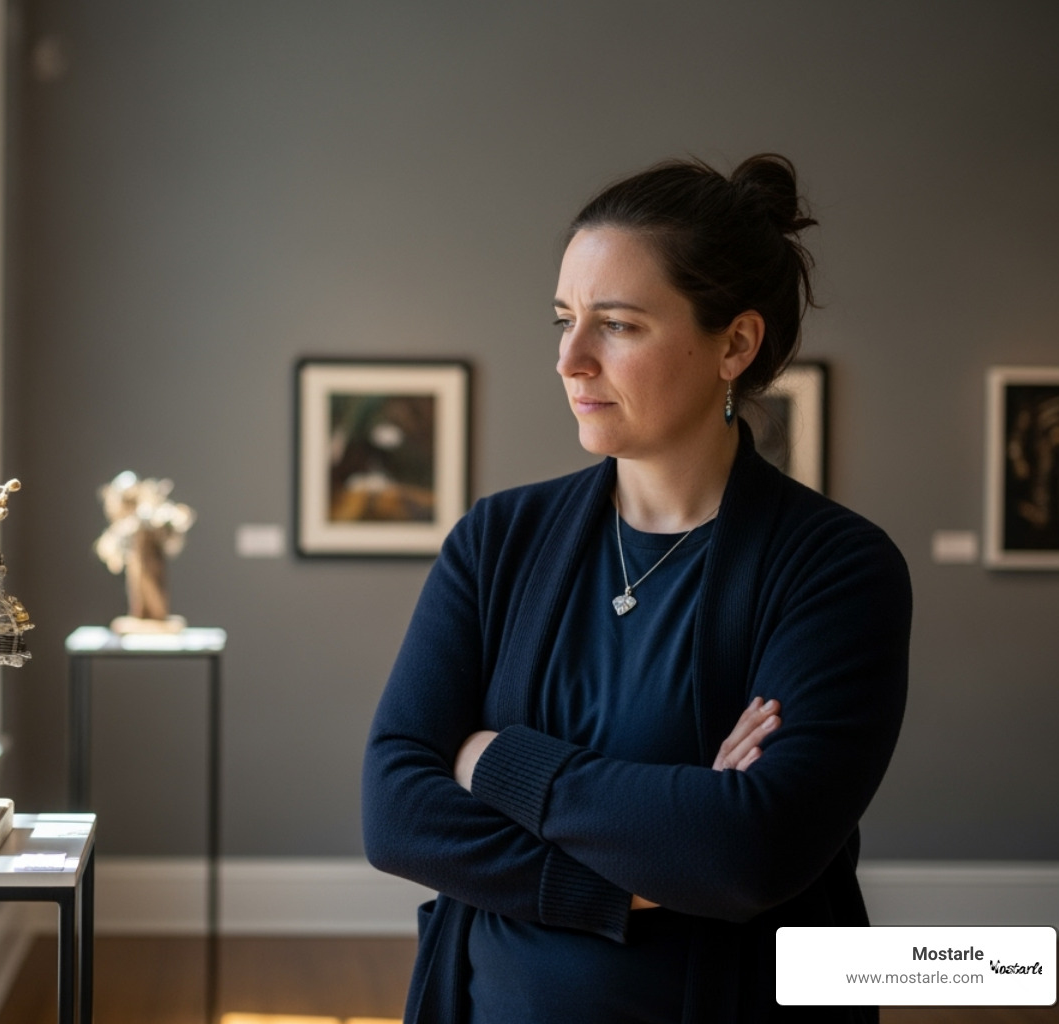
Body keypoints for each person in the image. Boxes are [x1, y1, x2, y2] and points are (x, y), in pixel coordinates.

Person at [361, 153, 911, 1023]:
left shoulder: (837, 569)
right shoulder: (496, 540)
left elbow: (745, 851)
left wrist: (492, 759)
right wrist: (631, 877)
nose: (570, 360)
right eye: (563, 319)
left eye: (616, 325)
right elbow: (395, 809)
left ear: (735, 342)